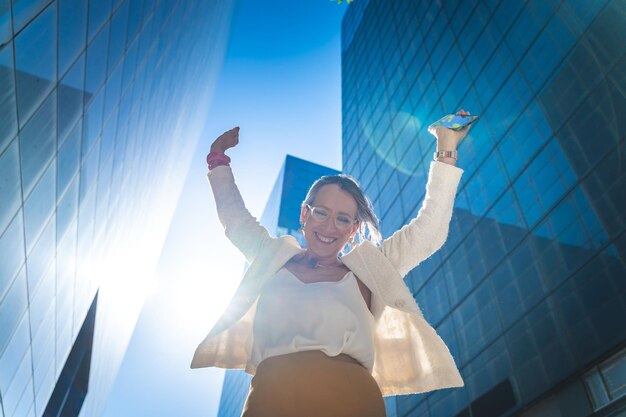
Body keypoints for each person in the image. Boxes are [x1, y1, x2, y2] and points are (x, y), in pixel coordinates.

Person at [191, 110, 473, 417]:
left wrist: (446, 147)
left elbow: (428, 231)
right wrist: (217, 158)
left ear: (353, 229)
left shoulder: (370, 270)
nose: (329, 227)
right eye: (321, 213)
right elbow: (235, 219)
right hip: (270, 401)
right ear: (304, 215)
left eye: (343, 219)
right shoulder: (270, 257)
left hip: (352, 402)